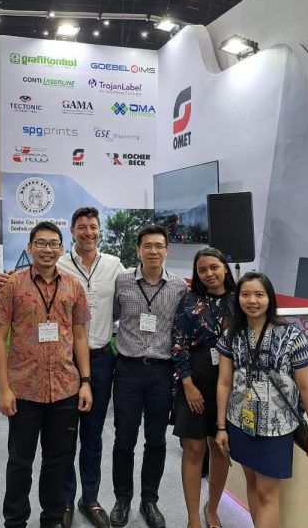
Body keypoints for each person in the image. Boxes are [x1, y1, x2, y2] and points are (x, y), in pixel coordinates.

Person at [0, 207, 125, 528]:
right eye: (41, 243)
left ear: (61, 247)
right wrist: (3, 388)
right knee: (21, 461)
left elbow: (79, 335)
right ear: (29, 247)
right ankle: (17, 520)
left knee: (62, 456)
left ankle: (58, 515)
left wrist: (85, 381)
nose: (47, 249)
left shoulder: (77, 284)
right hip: (25, 388)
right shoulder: (14, 285)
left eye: (53, 244)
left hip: (68, 385)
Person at [215, 272, 308, 528]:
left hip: (277, 428)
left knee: (268, 493)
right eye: (245, 294)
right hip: (241, 423)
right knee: (252, 485)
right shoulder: (231, 335)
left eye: (259, 295)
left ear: (269, 299)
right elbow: (224, 382)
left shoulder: (291, 335)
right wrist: (221, 427)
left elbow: (305, 387)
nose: (252, 300)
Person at [110, 224, 187, 528]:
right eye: (147, 246)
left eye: (159, 246)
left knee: (156, 439)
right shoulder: (122, 281)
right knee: (124, 439)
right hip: (127, 369)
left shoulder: (179, 286)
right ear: (138, 250)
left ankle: (149, 500)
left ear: (166, 251)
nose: (153, 251)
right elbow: (111, 316)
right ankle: (122, 499)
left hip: (161, 371)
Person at [171, 248, 235, 528]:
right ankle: (193, 518)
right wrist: (187, 384)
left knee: (220, 448)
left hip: (230, 384)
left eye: (214, 267)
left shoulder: (239, 300)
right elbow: (177, 344)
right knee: (194, 448)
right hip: (194, 382)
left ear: (224, 268)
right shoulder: (189, 301)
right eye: (202, 270)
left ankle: (212, 508)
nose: (209, 274)